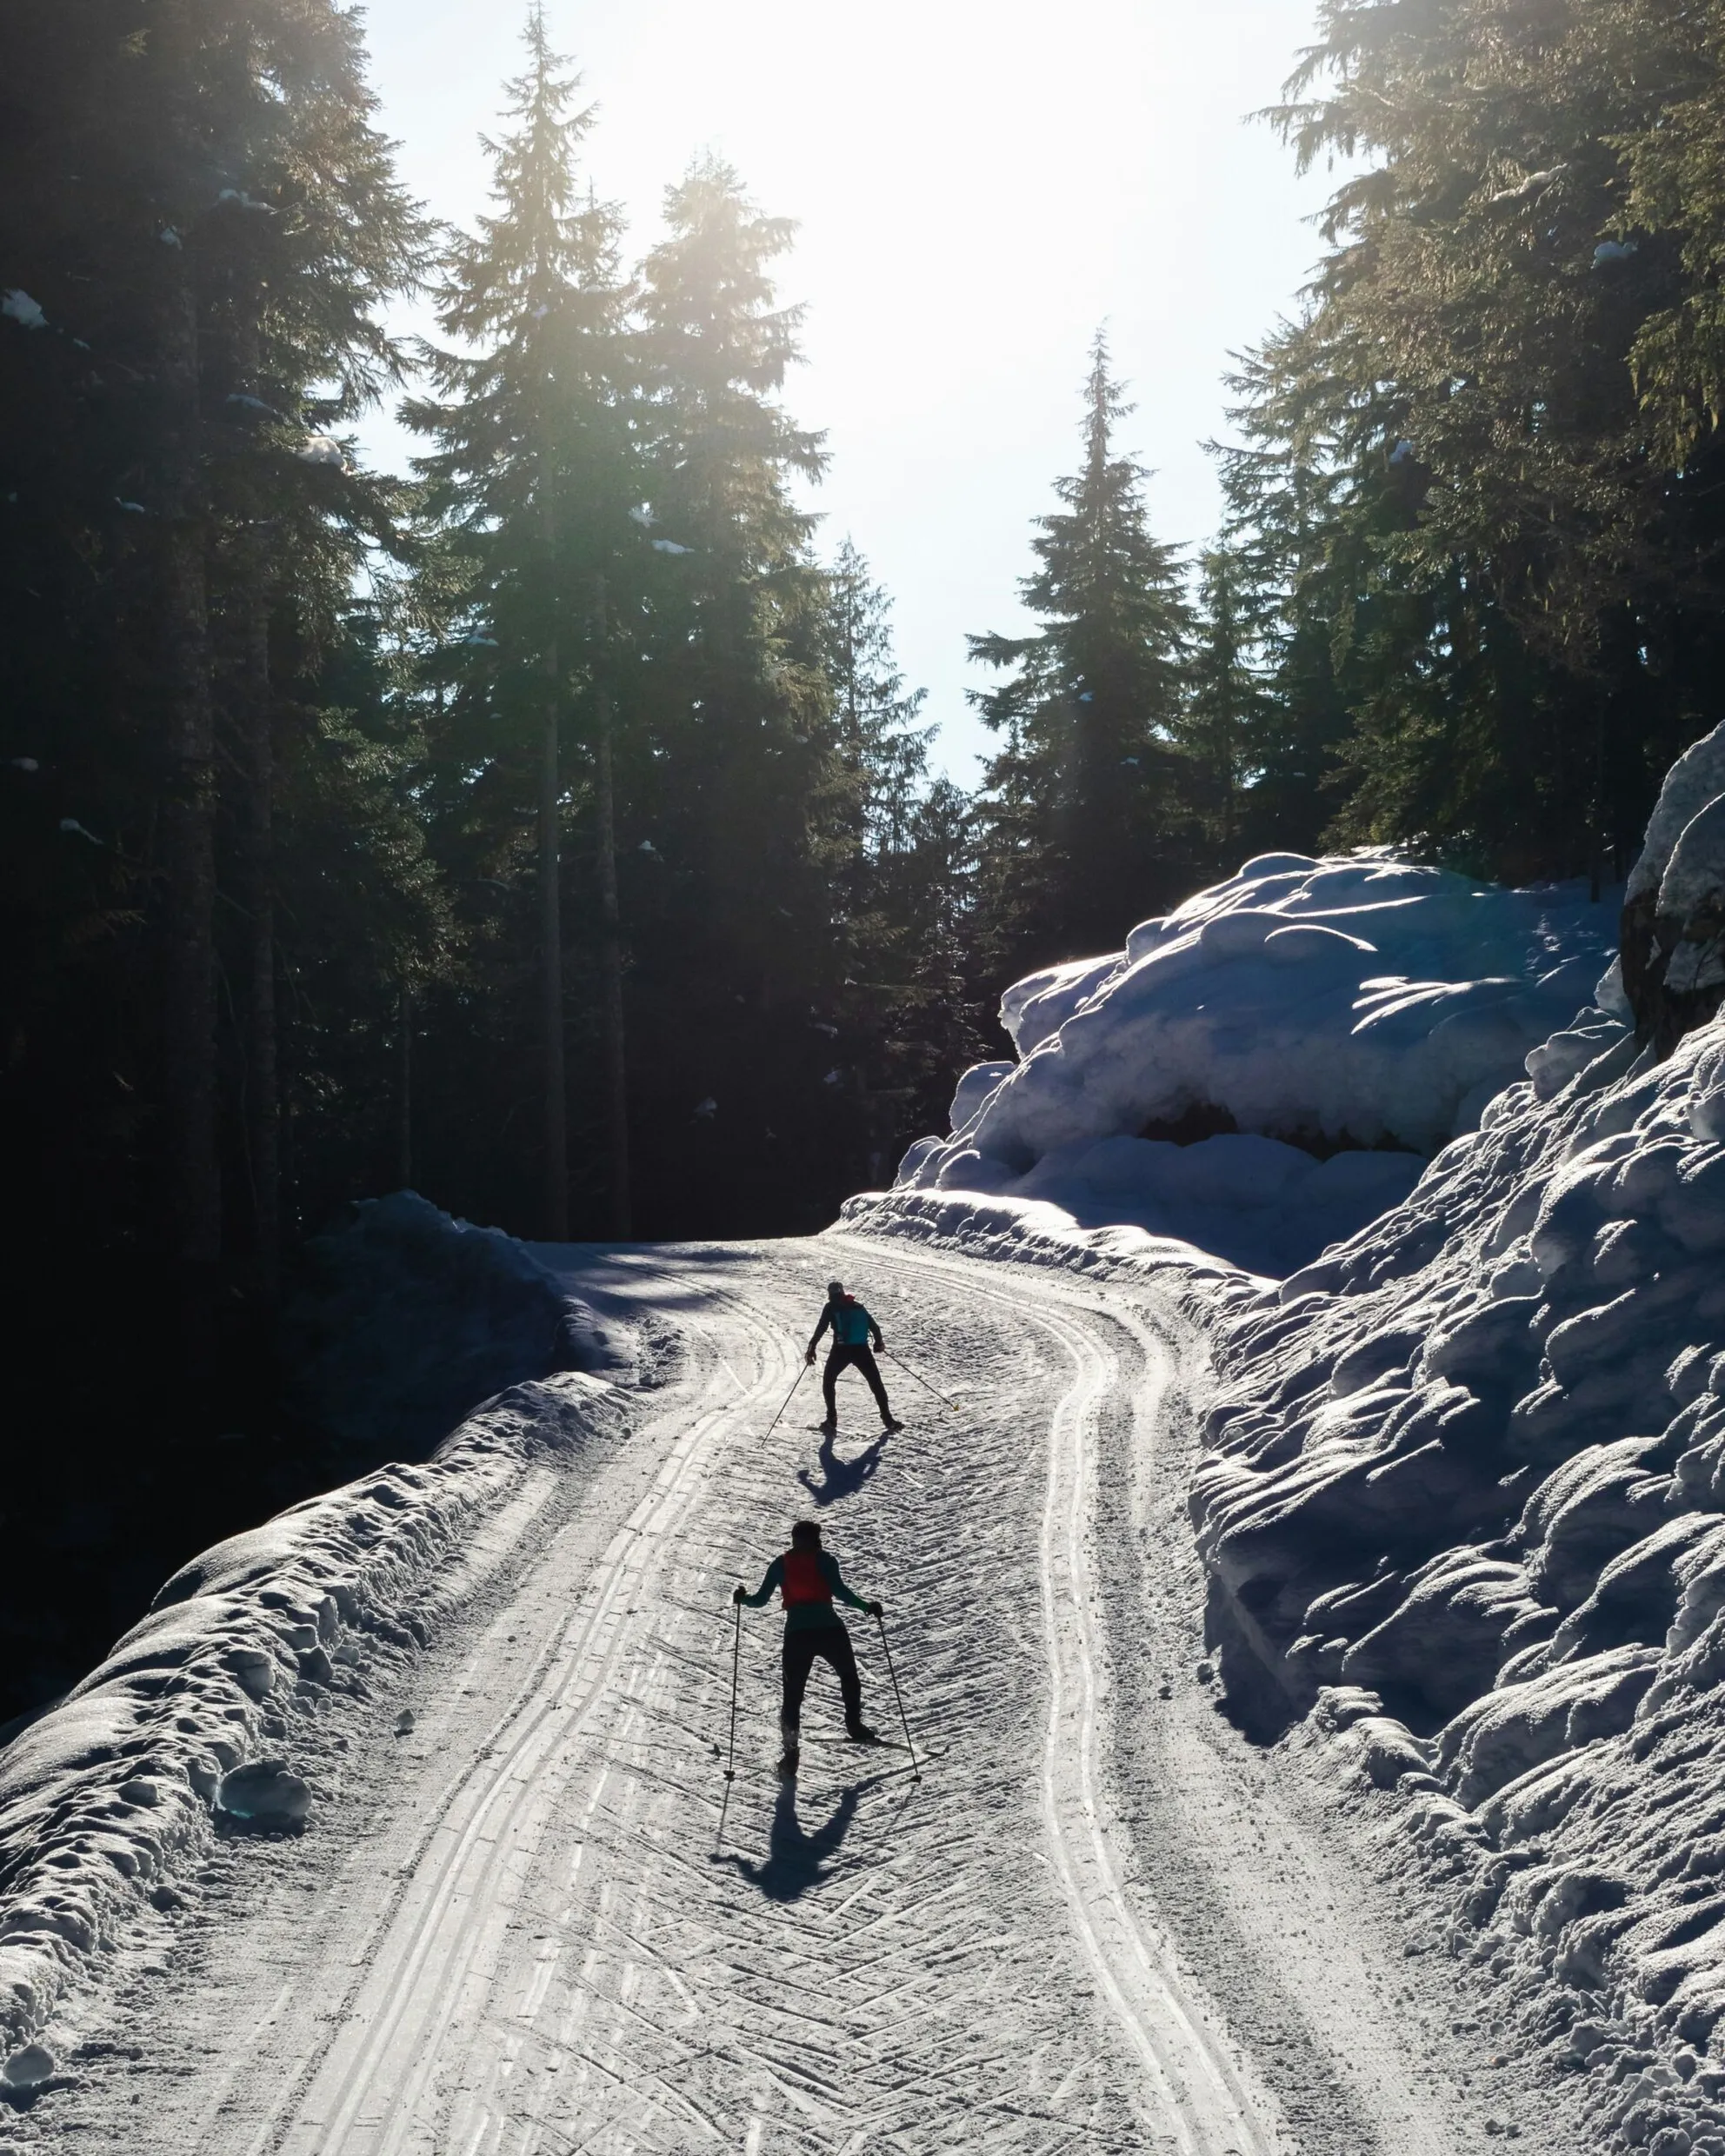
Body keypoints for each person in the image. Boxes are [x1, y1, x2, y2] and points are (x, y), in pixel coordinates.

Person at [734, 1519, 883, 1778]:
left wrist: (742, 1599)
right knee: (848, 1676)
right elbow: (839, 1591)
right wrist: (866, 1606)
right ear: (817, 1539)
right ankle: (854, 1725)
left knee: (792, 1696)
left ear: (793, 1538)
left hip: (797, 1636)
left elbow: (759, 1601)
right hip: (830, 1630)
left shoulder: (780, 1564)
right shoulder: (825, 1560)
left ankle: (791, 1755)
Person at [806, 1277, 901, 1436]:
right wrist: (878, 1343)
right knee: (876, 1383)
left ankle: (831, 1419)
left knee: (828, 1381)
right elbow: (874, 1327)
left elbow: (821, 1328)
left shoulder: (830, 1307)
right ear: (842, 1292)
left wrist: (812, 1347)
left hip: (841, 1351)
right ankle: (888, 1419)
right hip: (861, 1350)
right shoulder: (857, 1306)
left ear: (829, 1294)